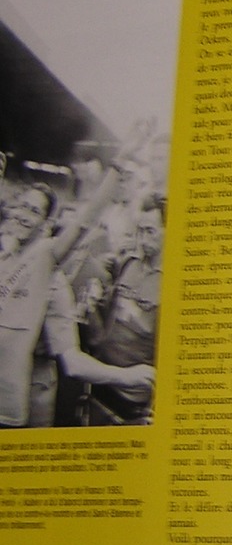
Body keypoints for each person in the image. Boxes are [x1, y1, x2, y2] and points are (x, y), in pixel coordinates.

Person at [0, 175, 155, 429]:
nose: (22, 215)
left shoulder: (53, 281)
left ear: (46, 225)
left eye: (33, 210)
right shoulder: (8, 259)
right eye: (21, 206)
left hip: (24, 403)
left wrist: (126, 376)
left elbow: (72, 361)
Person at [80, 194, 163, 425]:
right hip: (100, 380)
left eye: (150, 231)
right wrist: (93, 305)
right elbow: (103, 330)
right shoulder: (129, 263)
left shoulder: (172, 283)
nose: (142, 238)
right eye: (139, 230)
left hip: (133, 398)